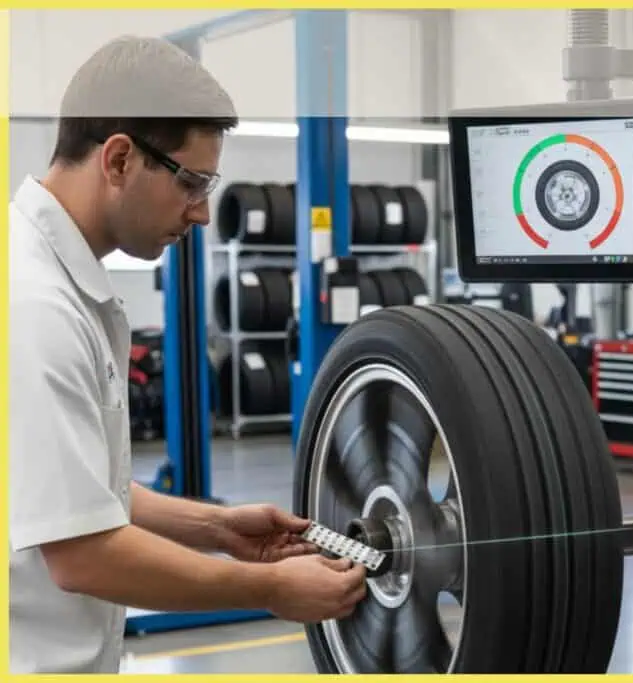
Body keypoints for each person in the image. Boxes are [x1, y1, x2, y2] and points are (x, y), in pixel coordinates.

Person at [9, 36, 366, 674]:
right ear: (119, 159)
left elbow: (84, 490)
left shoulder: (64, 283)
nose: (202, 213)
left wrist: (218, 528)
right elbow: (81, 553)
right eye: (191, 182)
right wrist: (268, 590)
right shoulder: (36, 306)